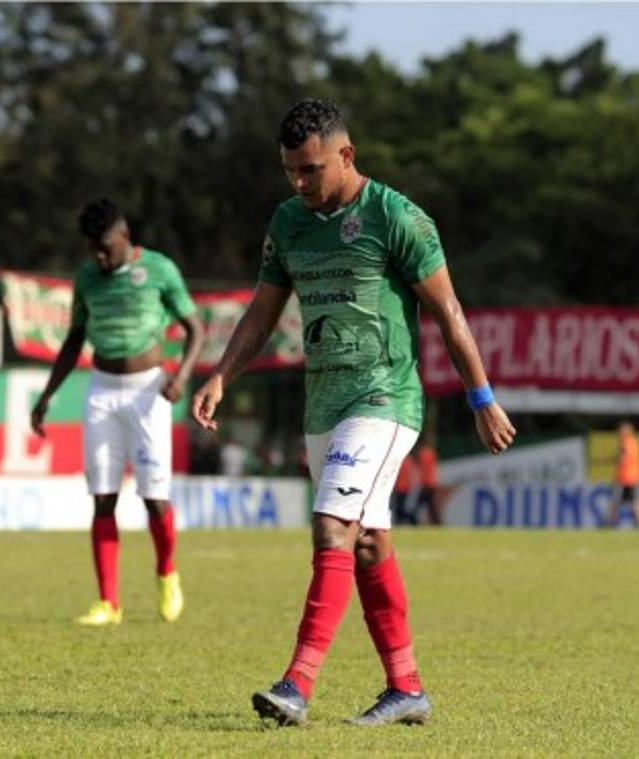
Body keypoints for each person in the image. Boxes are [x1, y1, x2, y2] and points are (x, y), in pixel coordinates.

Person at [191, 99, 515, 727]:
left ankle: (296, 684)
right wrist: (222, 376)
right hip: (324, 404)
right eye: (290, 170)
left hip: (384, 397)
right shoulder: (288, 222)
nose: (299, 182)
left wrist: (481, 398)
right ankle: (407, 689)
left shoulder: (396, 217)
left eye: (310, 169)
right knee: (367, 543)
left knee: (332, 526)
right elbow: (262, 313)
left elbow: (449, 312)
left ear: (346, 155)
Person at [31, 197, 205, 626]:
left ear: (124, 236)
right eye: (92, 248)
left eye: (105, 247)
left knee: (154, 499)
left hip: (149, 392)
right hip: (102, 391)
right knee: (103, 496)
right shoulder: (86, 277)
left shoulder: (159, 269)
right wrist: (47, 395)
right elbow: (74, 340)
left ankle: (167, 573)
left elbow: (195, 329)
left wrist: (182, 376)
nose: (99, 256)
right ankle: (108, 602)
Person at [606, 421, 639, 528]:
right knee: (636, 501)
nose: (619, 433)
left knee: (615, 501)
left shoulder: (625, 443)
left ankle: (610, 522)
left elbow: (623, 458)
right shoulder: (634, 442)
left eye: (621, 431)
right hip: (634, 477)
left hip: (624, 478)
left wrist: (614, 460)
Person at [413, 438, 442, 526]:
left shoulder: (422, 454)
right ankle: (437, 523)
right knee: (431, 505)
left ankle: (413, 521)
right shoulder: (431, 452)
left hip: (426, 483)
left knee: (423, 505)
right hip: (432, 482)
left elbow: (422, 469)